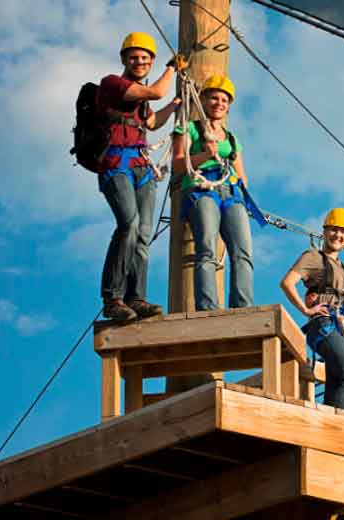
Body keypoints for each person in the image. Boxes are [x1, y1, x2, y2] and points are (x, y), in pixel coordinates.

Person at [98, 32, 185, 321]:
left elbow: (151, 122)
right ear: (124, 59)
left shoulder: (141, 96)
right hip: (116, 164)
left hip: (141, 167)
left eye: (145, 58)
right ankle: (113, 298)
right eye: (134, 57)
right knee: (129, 225)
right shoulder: (113, 84)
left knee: (143, 235)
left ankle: (136, 298)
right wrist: (171, 68)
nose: (140, 62)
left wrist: (176, 105)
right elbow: (157, 92)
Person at [172, 74, 254, 310]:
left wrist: (242, 189)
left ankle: (243, 306)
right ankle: (207, 307)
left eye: (224, 100)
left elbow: (242, 174)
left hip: (230, 190)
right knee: (207, 248)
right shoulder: (190, 128)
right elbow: (179, 164)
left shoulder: (231, 139)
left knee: (242, 251)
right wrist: (206, 155)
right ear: (203, 100)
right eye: (214, 98)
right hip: (202, 188)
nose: (219, 103)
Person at [280, 208, 344, 410]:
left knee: (336, 383)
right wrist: (306, 310)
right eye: (334, 230)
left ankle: (328, 425)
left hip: (339, 328)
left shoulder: (342, 268)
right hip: (323, 326)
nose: (338, 235)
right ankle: (336, 424)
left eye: (343, 232)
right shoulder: (314, 257)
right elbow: (288, 283)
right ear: (325, 232)